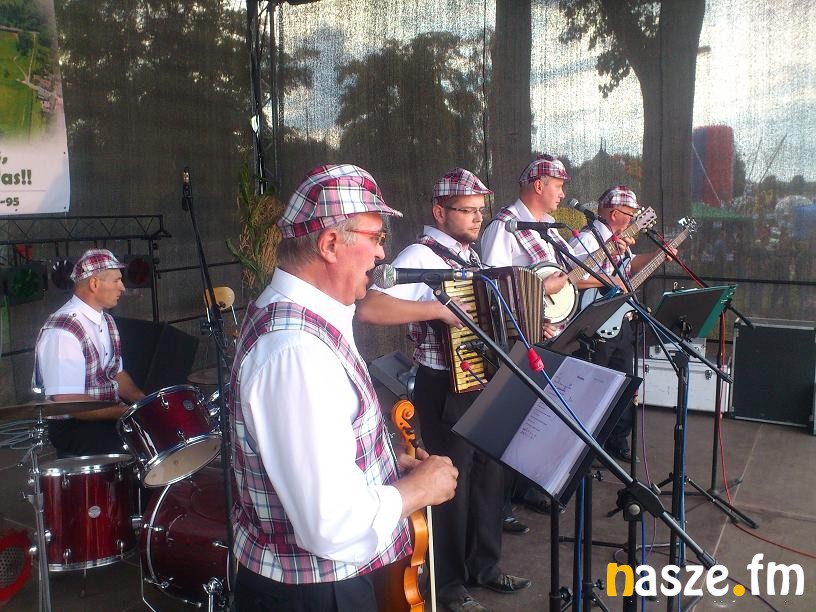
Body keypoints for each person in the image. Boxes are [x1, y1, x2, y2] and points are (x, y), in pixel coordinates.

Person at [229, 164, 459, 612]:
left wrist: (384, 466)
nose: (382, 253)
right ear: (330, 243)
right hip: (314, 595)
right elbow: (330, 524)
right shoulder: (297, 351)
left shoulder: (303, 317)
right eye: (376, 237)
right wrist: (420, 489)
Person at [357, 168, 531, 612]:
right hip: (444, 385)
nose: (477, 218)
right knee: (451, 483)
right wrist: (435, 309)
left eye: (480, 210)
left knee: (490, 477)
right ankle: (447, 584)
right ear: (439, 211)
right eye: (466, 210)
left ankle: (484, 566)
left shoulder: (469, 255)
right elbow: (370, 307)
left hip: (483, 379)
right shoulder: (419, 254)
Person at [480, 154, 578, 518]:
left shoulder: (549, 227)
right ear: (539, 185)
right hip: (517, 338)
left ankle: (526, 488)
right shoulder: (503, 227)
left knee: (537, 418)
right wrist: (536, 302)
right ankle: (502, 504)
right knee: (513, 419)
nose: (562, 194)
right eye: (558, 186)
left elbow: (564, 276)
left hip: (547, 333)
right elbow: (491, 288)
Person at [568, 185, 673, 461]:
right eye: (631, 213)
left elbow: (631, 265)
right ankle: (585, 449)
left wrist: (660, 255)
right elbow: (570, 276)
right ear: (615, 213)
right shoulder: (588, 239)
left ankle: (616, 440)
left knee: (624, 383)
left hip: (620, 318)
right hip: (595, 323)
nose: (634, 219)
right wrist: (609, 280)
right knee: (593, 387)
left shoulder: (620, 240)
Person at [32, 248, 145, 458]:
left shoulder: (107, 321)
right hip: (75, 427)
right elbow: (69, 402)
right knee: (137, 448)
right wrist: (125, 412)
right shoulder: (62, 331)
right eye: (116, 280)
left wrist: (145, 402)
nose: (122, 287)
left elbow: (116, 374)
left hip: (106, 415)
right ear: (94, 284)